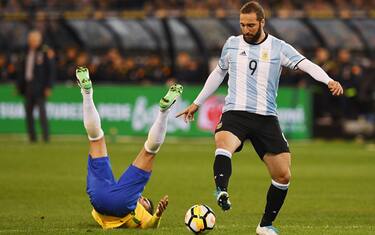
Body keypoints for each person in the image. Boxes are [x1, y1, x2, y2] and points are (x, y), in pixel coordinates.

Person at [176, 1, 343, 235]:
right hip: (236, 112)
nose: (246, 29)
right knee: (223, 143)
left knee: (283, 175)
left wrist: (328, 80)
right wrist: (196, 102)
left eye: (251, 25)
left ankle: (264, 226)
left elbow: (306, 65)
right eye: (243, 24)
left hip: (266, 117)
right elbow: (218, 73)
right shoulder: (232, 44)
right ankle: (221, 189)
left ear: (262, 22)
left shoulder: (279, 47)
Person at [76, 66, 183, 229]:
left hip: (112, 201)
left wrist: (157, 215)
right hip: (99, 198)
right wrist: (157, 214)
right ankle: (163, 111)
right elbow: (151, 224)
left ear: (146, 209)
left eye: (145, 202)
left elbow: (151, 224)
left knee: (148, 152)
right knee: (97, 139)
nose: (143, 199)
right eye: (145, 199)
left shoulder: (139, 215)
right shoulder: (133, 202)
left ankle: (87, 94)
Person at [16, 30, 56, 142]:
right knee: (28, 112)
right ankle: (32, 137)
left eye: (35, 40)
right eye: (31, 40)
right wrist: (19, 85)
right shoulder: (25, 51)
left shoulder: (45, 51)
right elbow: (22, 70)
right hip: (28, 86)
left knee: (42, 113)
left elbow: (51, 70)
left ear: (39, 40)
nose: (32, 42)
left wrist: (49, 86)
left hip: (40, 87)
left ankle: (46, 136)